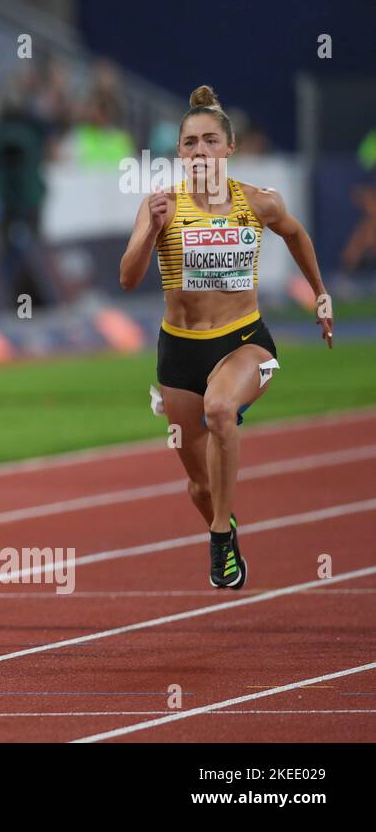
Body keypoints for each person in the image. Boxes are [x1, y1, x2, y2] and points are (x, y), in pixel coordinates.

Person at [120, 86, 333, 589]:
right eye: (190, 143)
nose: (200, 152)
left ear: (229, 148)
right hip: (179, 353)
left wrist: (320, 293)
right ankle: (223, 519)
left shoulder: (259, 202)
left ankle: (219, 539)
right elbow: (128, 279)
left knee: (219, 410)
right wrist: (150, 232)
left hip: (245, 343)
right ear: (179, 152)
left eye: (210, 141)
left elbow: (297, 235)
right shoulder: (161, 206)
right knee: (199, 485)